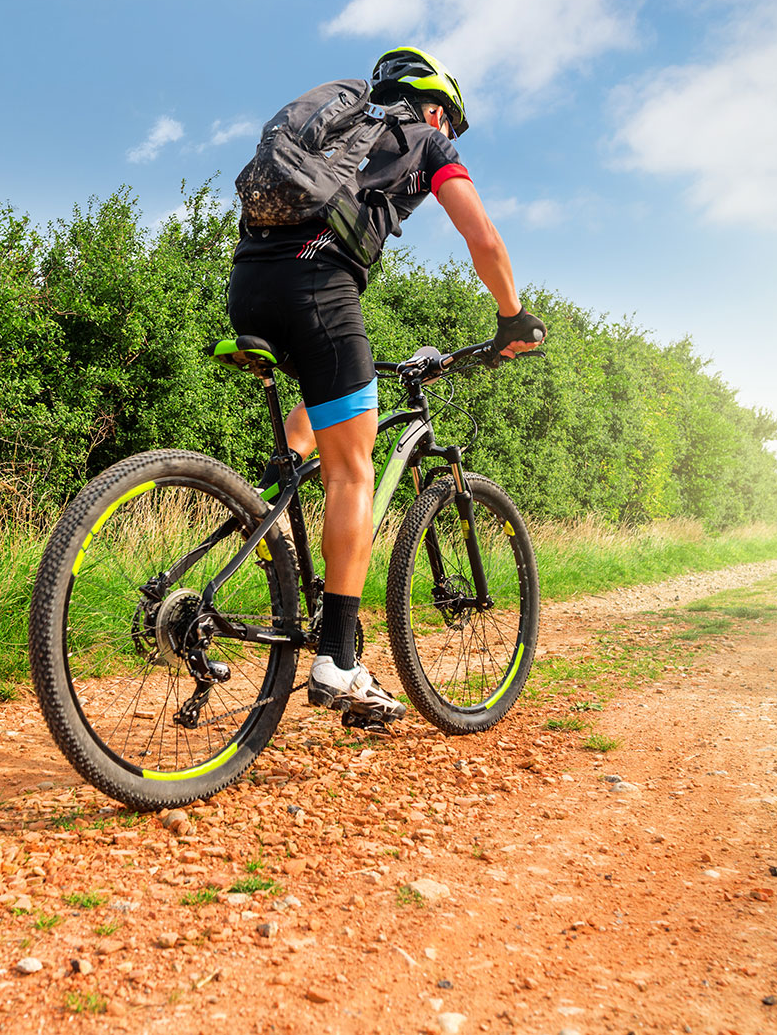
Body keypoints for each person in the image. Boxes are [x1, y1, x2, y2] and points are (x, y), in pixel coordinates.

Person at [225, 46, 545, 725]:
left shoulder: (342, 132)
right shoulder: (425, 140)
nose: (448, 136)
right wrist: (513, 316)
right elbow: (481, 235)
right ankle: (337, 658)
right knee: (353, 473)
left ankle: (268, 521)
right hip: (318, 283)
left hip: (250, 281)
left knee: (323, 418)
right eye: (450, 124)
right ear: (436, 108)